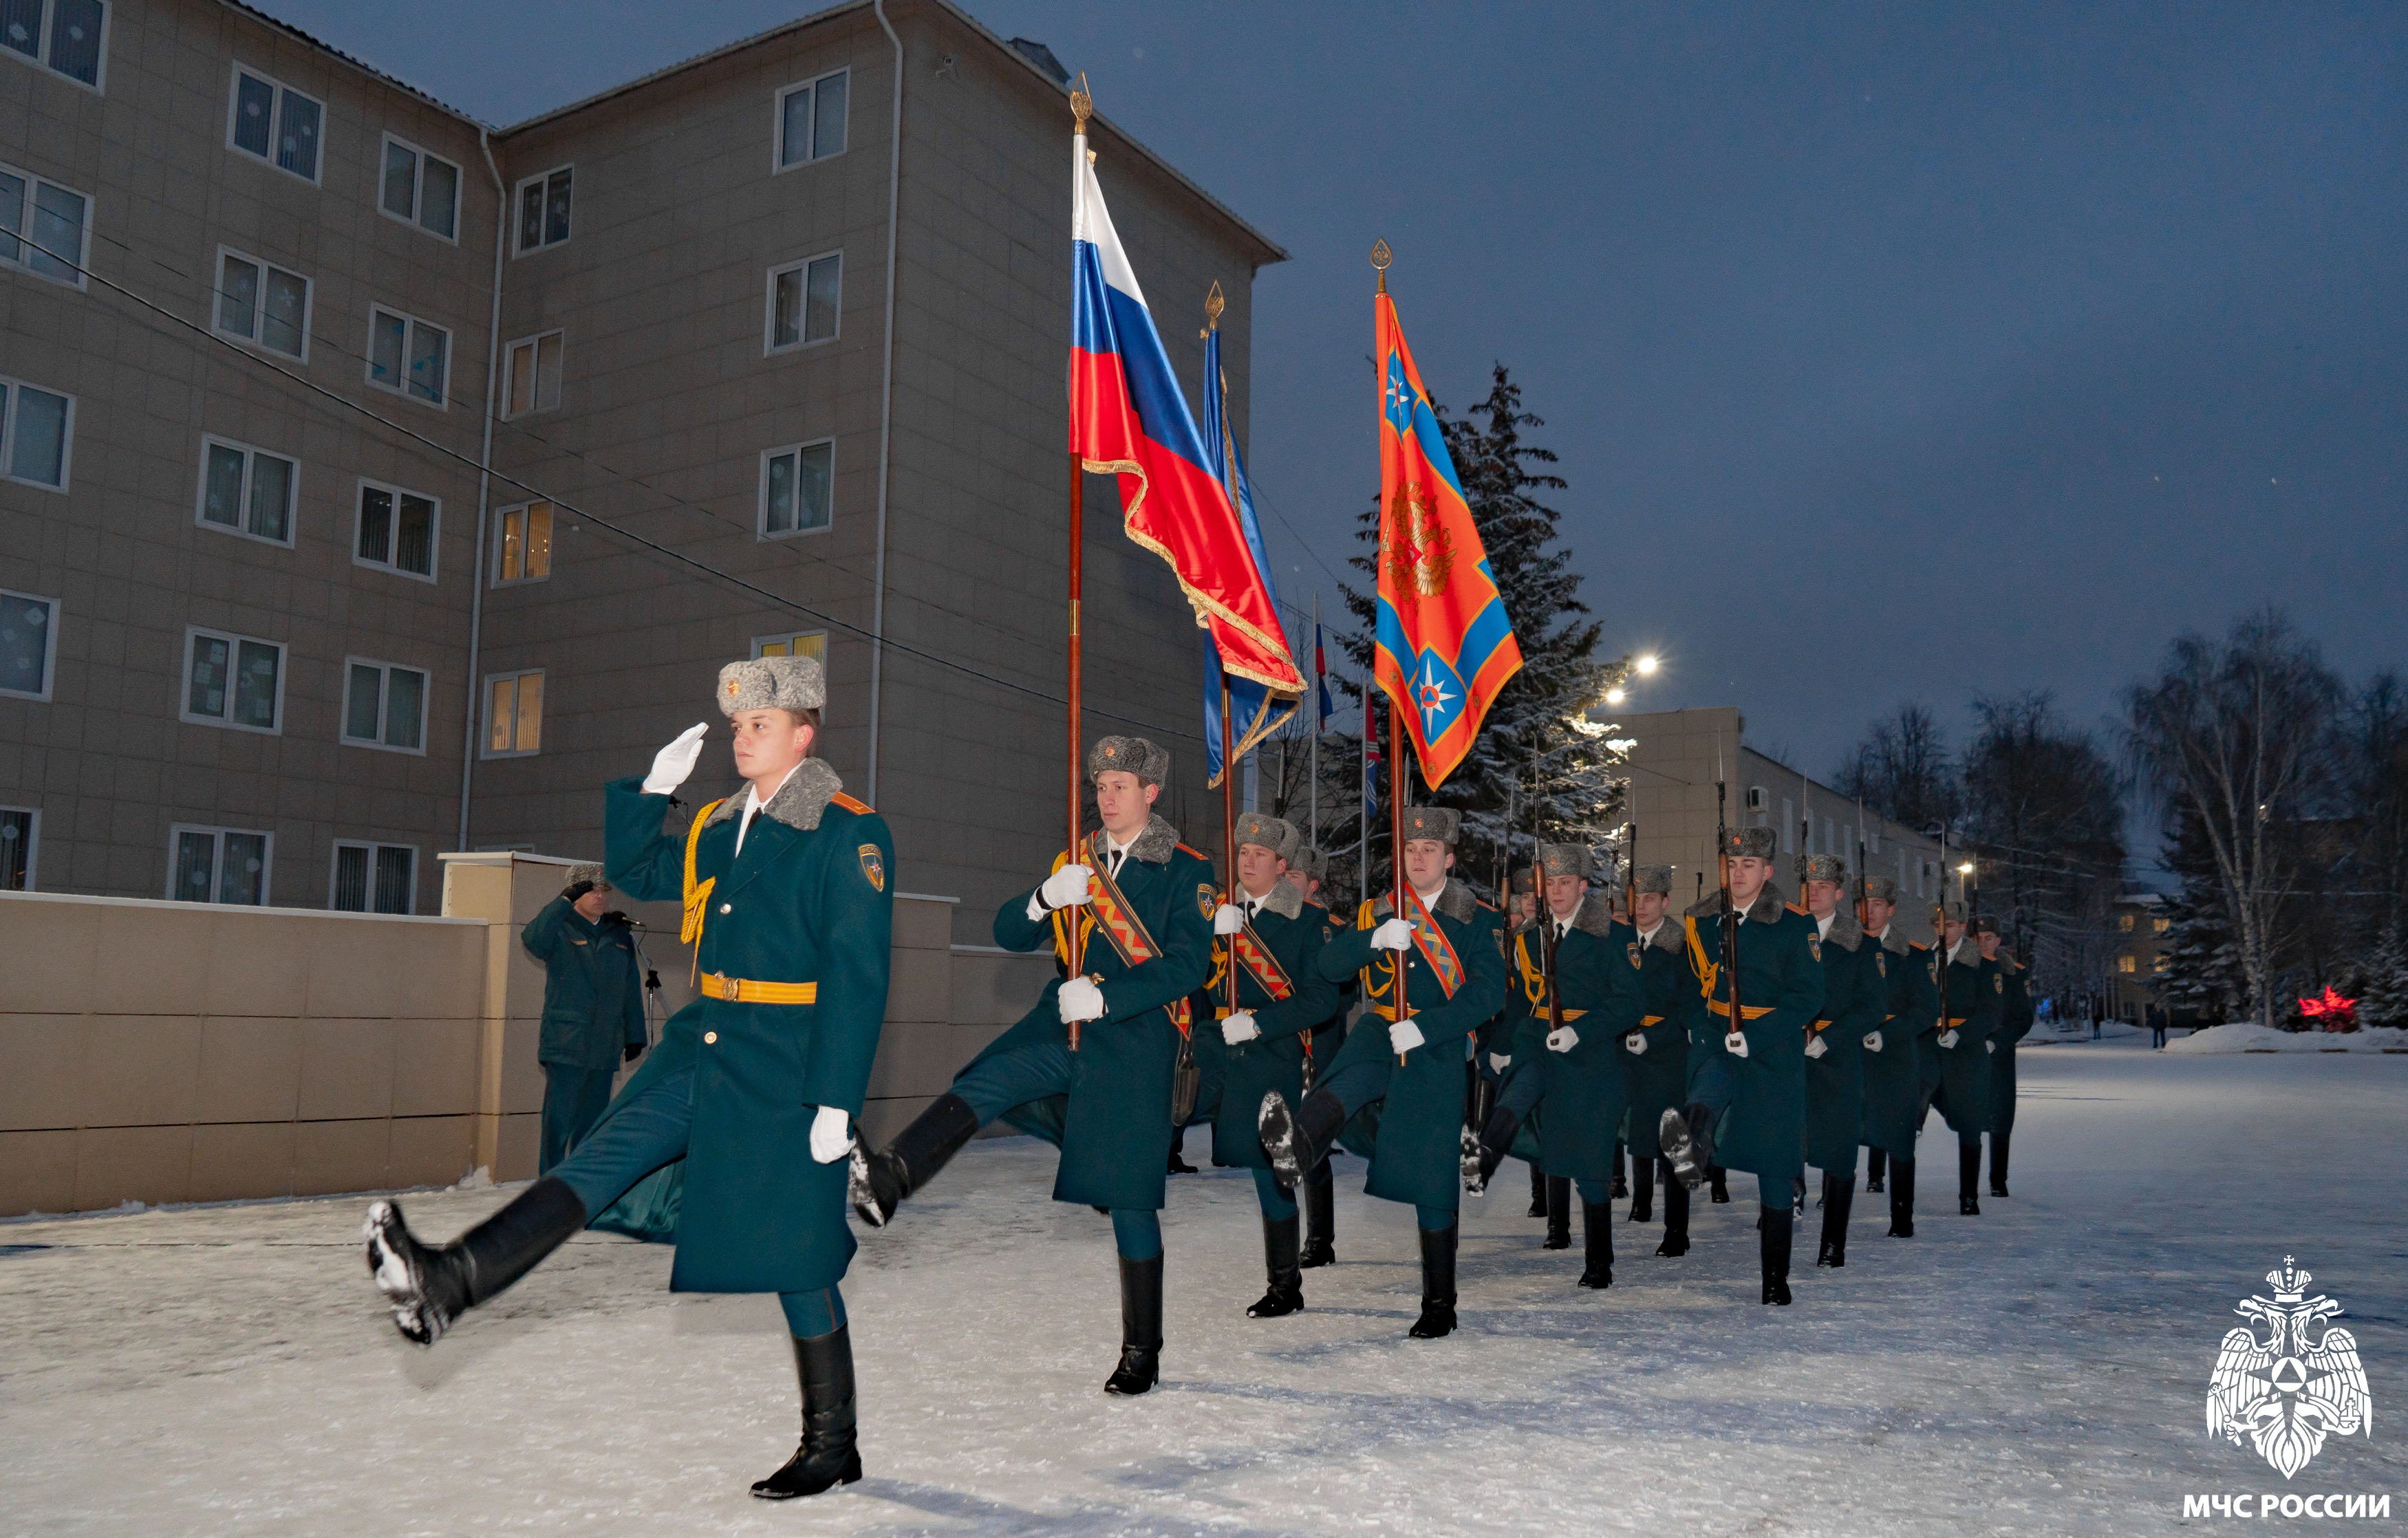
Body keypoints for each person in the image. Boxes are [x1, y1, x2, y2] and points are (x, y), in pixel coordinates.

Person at [365, 654, 894, 1500]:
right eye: (735, 727)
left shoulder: (847, 830)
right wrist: (651, 796)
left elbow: (859, 972)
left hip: (786, 1064)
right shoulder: (722, 823)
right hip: (704, 1047)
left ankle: (833, 1443)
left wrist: (837, 1098)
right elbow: (645, 878)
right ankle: (449, 1281)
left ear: (804, 732)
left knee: (801, 1259)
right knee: (598, 1161)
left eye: (759, 725)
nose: (740, 738)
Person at [848, 735, 1212, 1396]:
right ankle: (894, 1175)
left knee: (1131, 1203)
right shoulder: (1078, 863)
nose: (1105, 798)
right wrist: (1045, 898)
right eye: (1099, 786)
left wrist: (1108, 996)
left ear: (1151, 793)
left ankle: (1142, 1349)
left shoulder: (1188, 870)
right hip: (1063, 1020)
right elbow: (1006, 933)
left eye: (1120, 786)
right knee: (990, 1079)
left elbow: (1192, 966)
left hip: (1136, 1037)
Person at [1256, 805, 1507, 1339]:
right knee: (1347, 1080)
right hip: (1382, 1029)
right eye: (1411, 851)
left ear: (1449, 858)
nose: (1418, 859)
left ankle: (1440, 1302)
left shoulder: (1476, 918)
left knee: (1431, 1173)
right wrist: (1373, 939)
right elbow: (1329, 969)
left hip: (1435, 1044)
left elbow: (1489, 993)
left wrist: (1431, 1028)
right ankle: (1297, 1149)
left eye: (1429, 851)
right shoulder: (1382, 911)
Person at [1657, 826, 1823, 1305]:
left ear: (1767, 871)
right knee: (1707, 1086)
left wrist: (1757, 1036)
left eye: (1749, 865)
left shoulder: (1795, 924)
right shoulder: (1704, 921)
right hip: (1714, 1035)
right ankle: (1691, 1143)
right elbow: (1689, 983)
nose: (1739, 872)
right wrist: (1698, 1024)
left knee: (1774, 1163)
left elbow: (1809, 996)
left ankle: (1775, 1278)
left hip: (1772, 1051)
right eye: (1732, 864)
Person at [1187, 812, 1338, 1316]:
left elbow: (1321, 1002)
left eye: (1260, 856)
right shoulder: (1218, 914)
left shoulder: (1309, 922)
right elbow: (1195, 980)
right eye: (1242, 854)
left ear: (1281, 865)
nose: (1248, 863)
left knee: (1270, 1171)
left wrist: (1257, 1024)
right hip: (1216, 1049)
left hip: (1271, 1055)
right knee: (1162, 1106)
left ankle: (1284, 1288)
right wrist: (1211, 939)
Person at [1468, 843, 1637, 1288]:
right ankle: (1483, 1160)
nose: (1558, 891)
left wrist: (1582, 1032)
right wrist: (1501, 1045)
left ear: (1583, 886)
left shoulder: (1613, 936)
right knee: (1519, 1089)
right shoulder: (1529, 936)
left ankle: (1599, 1261)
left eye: (1566, 883)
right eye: (1552, 883)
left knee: (1588, 1161)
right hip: (1537, 1042)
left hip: (1591, 1055)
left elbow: (1630, 1003)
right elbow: (1522, 998)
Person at [519, 865, 648, 1172]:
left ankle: (579, 1190)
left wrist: (635, 1033)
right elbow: (533, 940)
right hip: (567, 1044)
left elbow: (629, 987)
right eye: (591, 890)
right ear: (574, 894)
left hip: (604, 1046)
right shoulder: (559, 928)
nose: (600, 896)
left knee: (591, 1127)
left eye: (605, 890)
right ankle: (549, 1191)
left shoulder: (619, 933)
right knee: (557, 1125)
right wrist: (562, 902)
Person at [1795, 854, 1881, 1268]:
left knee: (1839, 1150)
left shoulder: (1861, 944)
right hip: (1790, 1050)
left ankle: (1833, 1243)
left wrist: (1829, 1037)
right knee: (1786, 1135)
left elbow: (1872, 1006)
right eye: (1809, 887)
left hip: (1838, 1058)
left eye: (1823, 888)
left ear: (1839, 894)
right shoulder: (1786, 935)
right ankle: (1785, 1201)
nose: (1815, 893)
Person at [1615, 865, 1691, 1253]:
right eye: (1636, 898)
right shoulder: (1620, 942)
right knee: (1637, 1134)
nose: (1641, 906)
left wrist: (1655, 1037)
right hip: (1624, 1049)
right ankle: (1640, 1203)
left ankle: (1677, 1231)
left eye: (1649, 898)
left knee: (1672, 1141)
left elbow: (1688, 1007)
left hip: (1666, 1055)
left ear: (1665, 901)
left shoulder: (1681, 946)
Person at [1855, 876, 1935, 1237]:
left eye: (1876, 905)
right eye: (1863, 904)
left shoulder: (1913, 956)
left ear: (1891, 910)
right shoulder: (1844, 949)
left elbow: (1925, 1012)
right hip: (1852, 1052)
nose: (1868, 912)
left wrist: (1886, 1034)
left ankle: (1902, 1217)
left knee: (1900, 1136)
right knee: (1839, 1128)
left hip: (1897, 1057)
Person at [1282, 843, 1349, 1268]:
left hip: (1320, 1044)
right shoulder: (1271, 924)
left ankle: (1319, 1238)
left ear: (1312, 884)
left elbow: (1340, 994)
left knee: (1313, 1140)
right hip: (1281, 1044)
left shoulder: (1334, 928)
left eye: (1293, 879)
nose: (1285, 884)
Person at [1924, 905, 2002, 1215]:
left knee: (1968, 1125)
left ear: (1963, 926)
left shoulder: (1982, 964)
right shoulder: (1924, 960)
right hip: (1928, 1047)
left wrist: (1962, 1033)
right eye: (1938, 924)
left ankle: (1969, 1196)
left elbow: (1991, 1013)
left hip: (1965, 1054)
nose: (1944, 931)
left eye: (1952, 924)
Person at [1984, 925, 2035, 1198]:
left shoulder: (2014, 973)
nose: (1983, 943)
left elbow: (2023, 1019)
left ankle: (1998, 1180)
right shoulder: (1957, 966)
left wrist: (1998, 1041)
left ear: (1998, 940)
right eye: (1977, 939)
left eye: (1988, 937)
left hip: (1999, 1056)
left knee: (2000, 1119)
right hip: (1963, 1051)